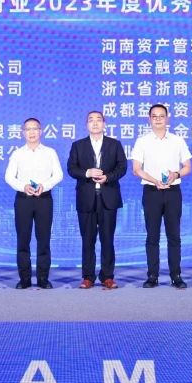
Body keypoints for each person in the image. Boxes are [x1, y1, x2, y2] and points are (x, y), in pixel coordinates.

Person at [131, 104, 192, 289]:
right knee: (152, 236)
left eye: (161, 116)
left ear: (167, 118)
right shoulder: (142, 141)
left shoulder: (178, 140)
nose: (158, 119)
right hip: (152, 191)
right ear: (149, 119)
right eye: (154, 116)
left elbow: (187, 167)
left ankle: (176, 276)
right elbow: (136, 169)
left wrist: (176, 174)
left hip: (173, 192)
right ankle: (152, 276)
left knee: (174, 235)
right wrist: (155, 180)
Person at [66, 110, 127, 289]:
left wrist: (107, 177)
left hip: (108, 197)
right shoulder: (78, 145)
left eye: (98, 120)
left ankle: (107, 276)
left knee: (108, 239)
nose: (95, 123)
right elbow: (71, 168)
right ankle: (88, 277)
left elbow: (122, 167)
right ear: (86, 125)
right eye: (91, 120)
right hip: (86, 198)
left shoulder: (114, 144)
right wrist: (87, 172)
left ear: (104, 124)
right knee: (88, 240)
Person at [5, 117, 63, 289]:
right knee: (23, 239)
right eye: (28, 129)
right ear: (23, 133)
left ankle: (43, 278)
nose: (31, 132)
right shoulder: (17, 154)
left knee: (43, 239)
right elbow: (9, 177)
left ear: (41, 131)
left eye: (35, 129)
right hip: (23, 200)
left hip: (44, 199)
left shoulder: (50, 152)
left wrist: (45, 186)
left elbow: (58, 175)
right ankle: (24, 279)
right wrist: (23, 186)